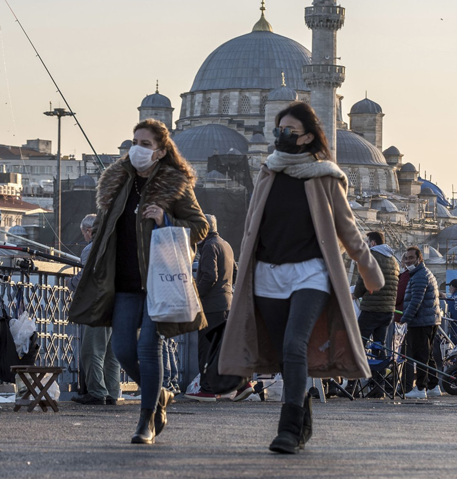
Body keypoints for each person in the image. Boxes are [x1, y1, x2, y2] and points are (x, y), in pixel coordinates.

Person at [218, 102, 383, 454]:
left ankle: (288, 429)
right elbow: (252, 225)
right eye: (279, 129)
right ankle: (303, 417)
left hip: (310, 272)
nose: (281, 135)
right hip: (267, 273)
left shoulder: (325, 175)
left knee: (295, 346)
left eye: (289, 130)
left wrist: (370, 272)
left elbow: (347, 229)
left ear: (307, 136)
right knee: (283, 354)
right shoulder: (268, 170)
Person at [69, 119, 208, 444]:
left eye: (145, 144)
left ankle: (146, 420)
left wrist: (166, 219)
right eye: (135, 142)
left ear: (160, 151)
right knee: (122, 347)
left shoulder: (174, 185)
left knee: (148, 346)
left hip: (159, 280)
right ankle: (158, 395)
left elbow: (200, 226)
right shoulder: (118, 183)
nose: (138, 149)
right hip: (124, 281)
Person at [187, 214, 245, 402]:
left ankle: (207, 389)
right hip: (227, 304)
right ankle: (243, 384)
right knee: (223, 349)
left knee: (207, 349)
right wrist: (225, 290)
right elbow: (234, 274)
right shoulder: (226, 245)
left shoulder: (209, 247)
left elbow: (210, 276)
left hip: (211, 307)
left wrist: (196, 295)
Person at [72, 214, 122, 406]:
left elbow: (86, 277)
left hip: (99, 304)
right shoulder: (116, 246)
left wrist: (71, 283)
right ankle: (112, 392)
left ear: (88, 231)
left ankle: (96, 392)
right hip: (117, 303)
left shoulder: (91, 248)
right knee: (111, 353)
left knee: (91, 350)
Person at [398, 246, 441, 400]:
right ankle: (433, 385)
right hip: (429, 320)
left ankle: (420, 388)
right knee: (428, 355)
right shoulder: (421, 273)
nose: (408, 261)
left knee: (421, 355)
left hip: (421, 321)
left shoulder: (419, 276)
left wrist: (405, 319)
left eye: (411, 258)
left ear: (419, 258)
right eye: (406, 258)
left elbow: (416, 300)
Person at [353, 231, 399, 345]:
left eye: (367, 242)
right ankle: (379, 362)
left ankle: (357, 363)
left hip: (371, 309)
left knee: (358, 342)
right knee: (379, 344)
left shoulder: (370, 256)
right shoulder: (393, 260)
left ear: (373, 243)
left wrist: (355, 294)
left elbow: (363, 279)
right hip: (388, 310)